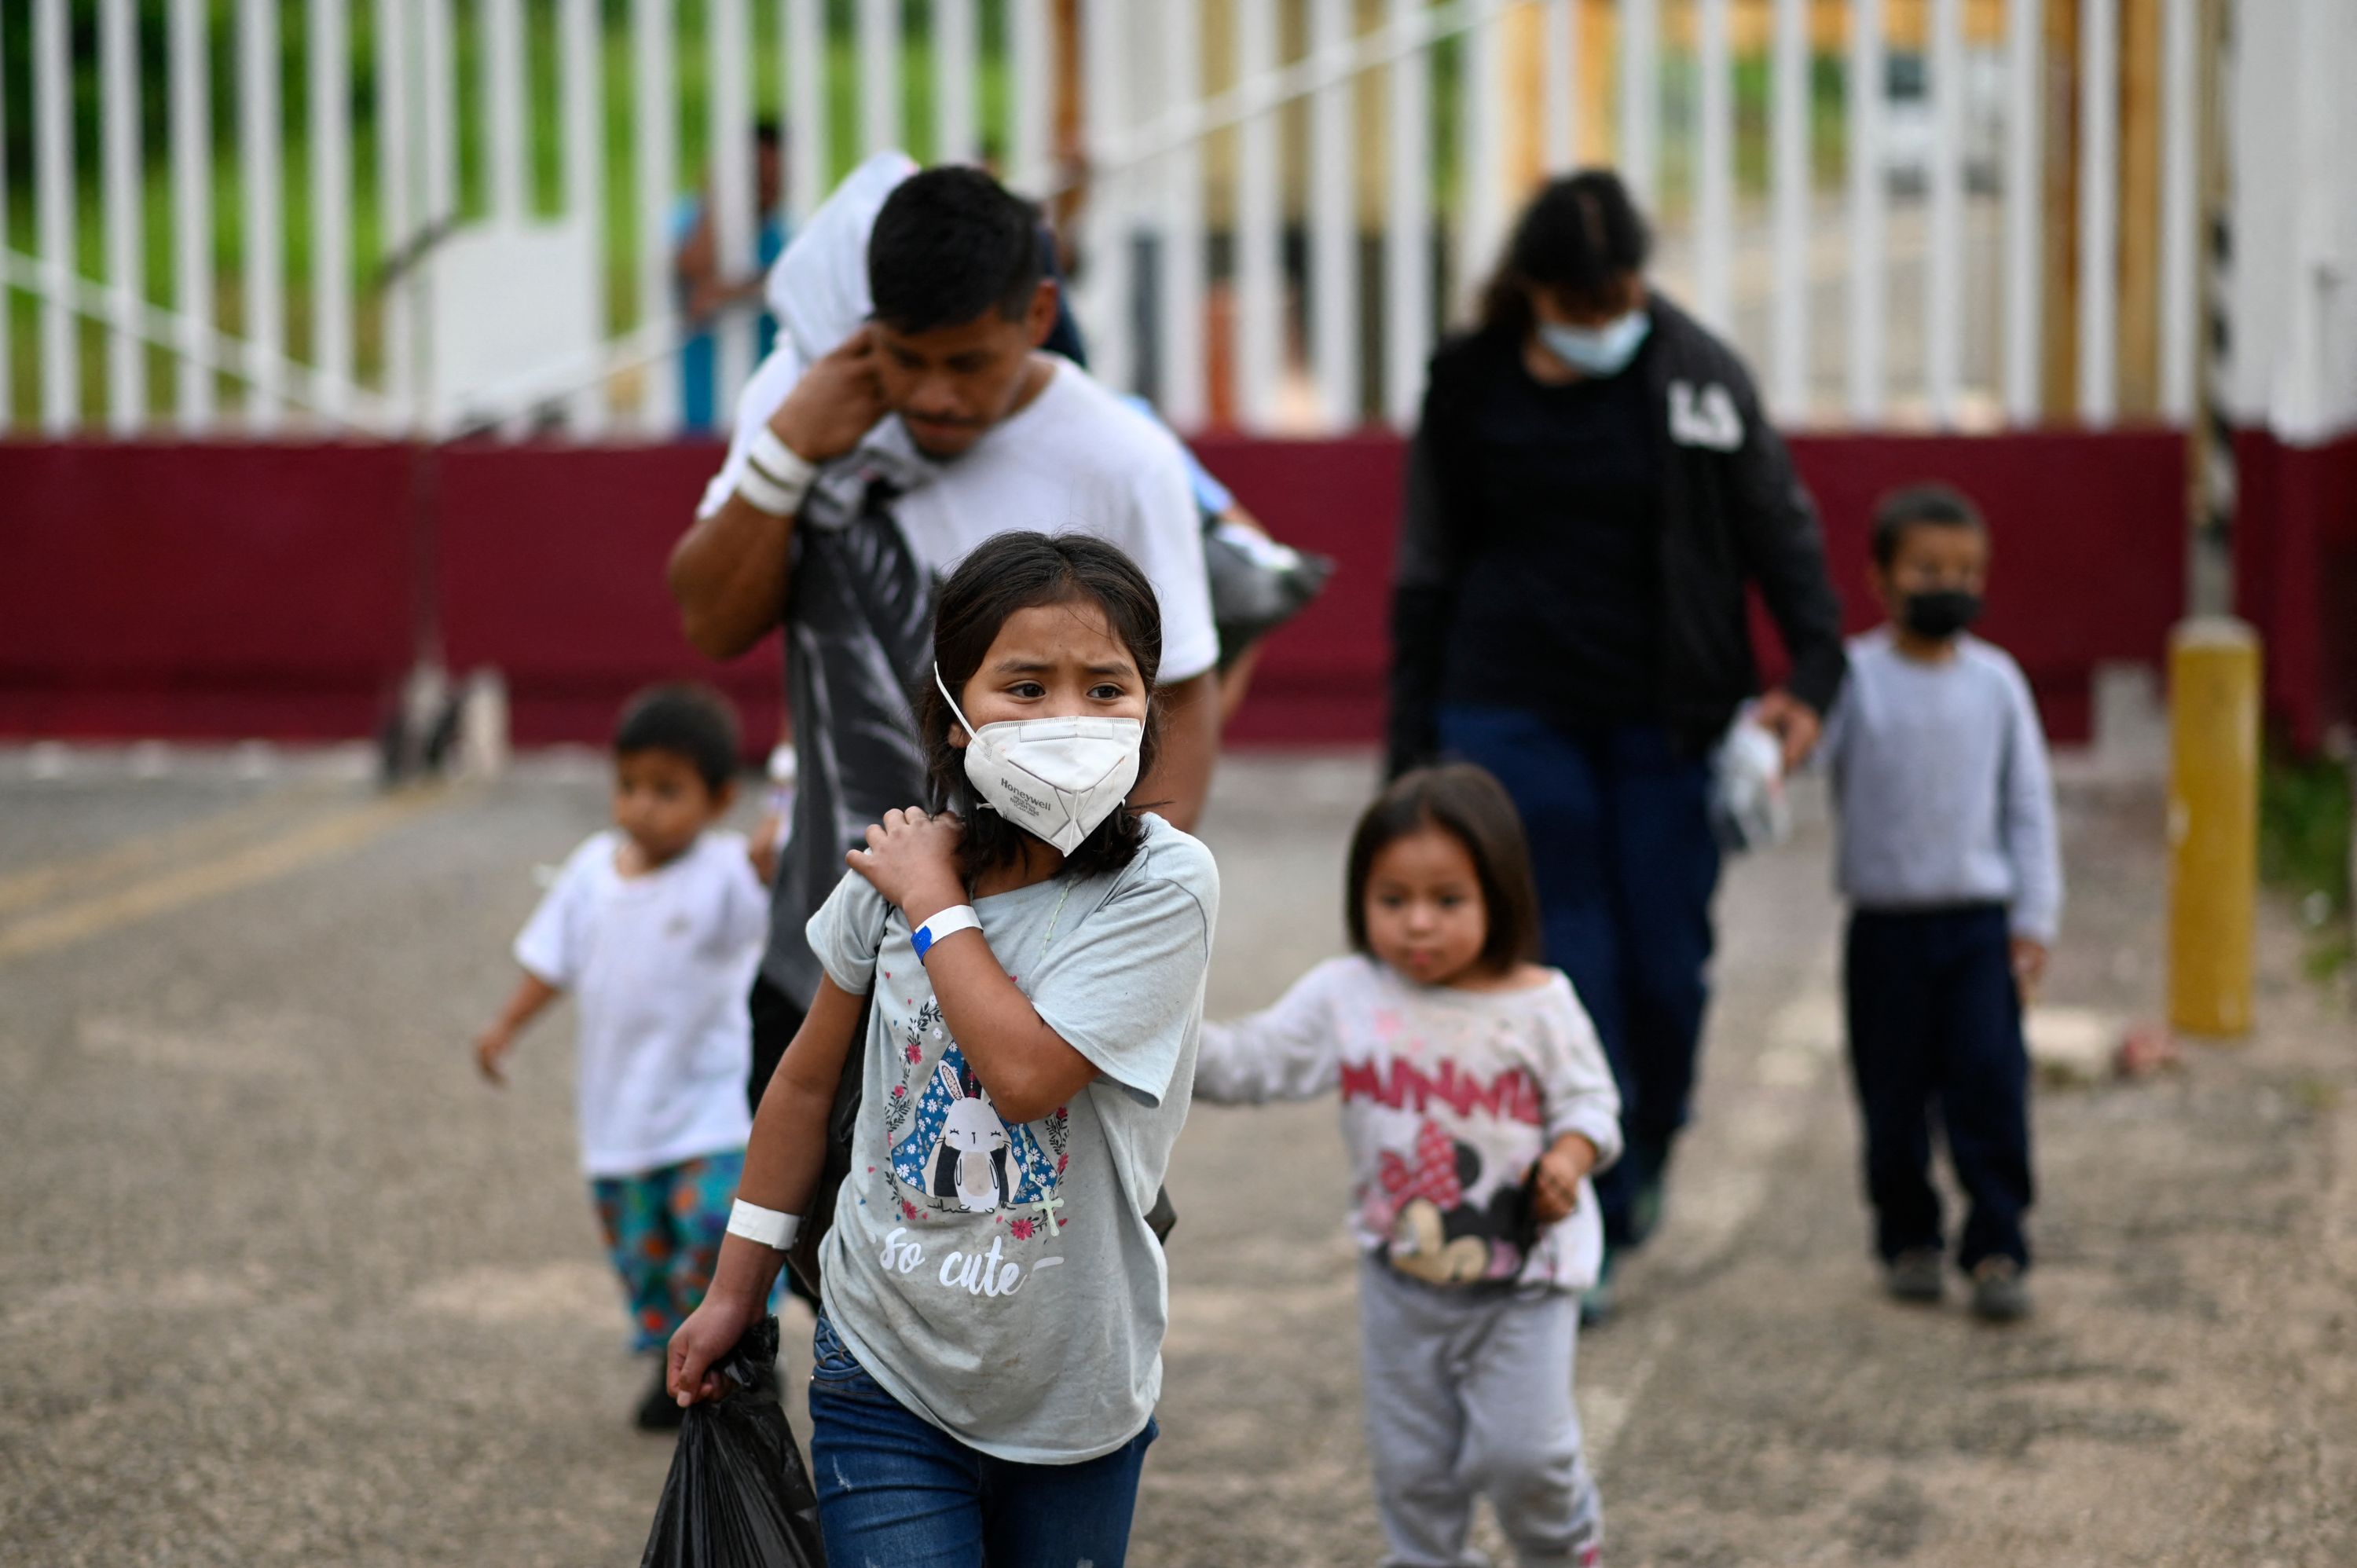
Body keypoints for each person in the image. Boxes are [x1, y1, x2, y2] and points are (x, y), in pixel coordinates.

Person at [666, 533, 1218, 1566]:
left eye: (1107, 688)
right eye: (1024, 685)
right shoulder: (889, 883)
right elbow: (801, 1085)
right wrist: (733, 1291)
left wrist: (932, 904)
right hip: (884, 1353)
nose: (1067, 718)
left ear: (1150, 709)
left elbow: (1024, 1078)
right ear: (954, 714)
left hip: (1074, 1378)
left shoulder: (1163, 887)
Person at [666, 163, 1221, 1141]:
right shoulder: (805, 400)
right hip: (824, 958)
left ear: (1039, 312)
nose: (931, 395)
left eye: (967, 362)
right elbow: (711, 623)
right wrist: (789, 452)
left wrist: (1119, 917)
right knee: (823, 1263)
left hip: (1036, 979)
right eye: (902, 356)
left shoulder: (1117, 457)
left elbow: (1182, 698)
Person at [1387, 168, 1847, 1318]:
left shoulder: (1696, 374)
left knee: (1662, 969)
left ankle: (1642, 1161)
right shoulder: (1470, 381)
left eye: (1623, 295)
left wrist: (1816, 673)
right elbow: (1428, 567)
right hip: (1507, 708)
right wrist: (1409, 759)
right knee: (1558, 959)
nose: (1607, 322)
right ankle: (1570, 1210)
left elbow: (1778, 525)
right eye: (1583, 304)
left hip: (1667, 717)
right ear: (1535, 291)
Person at [1194, 763, 1621, 1568]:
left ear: (1500, 893)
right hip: (1403, 1283)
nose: (1418, 924)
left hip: (1525, 1285)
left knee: (1523, 1457)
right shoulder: (1348, 993)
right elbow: (1252, 1060)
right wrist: (1148, 1034)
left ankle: (1564, 1548)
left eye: (1448, 900)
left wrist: (1569, 1157)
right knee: (1413, 1471)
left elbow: (1593, 1107)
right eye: (1393, 900)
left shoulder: (1541, 1004)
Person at [469, 684, 768, 1428]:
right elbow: (551, 960)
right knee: (644, 1256)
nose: (642, 806)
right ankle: (672, 1369)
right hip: (618, 1120)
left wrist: (773, 851)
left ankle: (746, 1350)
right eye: (630, 785)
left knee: (710, 1229)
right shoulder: (591, 871)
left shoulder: (729, 871)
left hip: (709, 1109)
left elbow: (773, 878)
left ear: (719, 797)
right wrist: (506, 1024)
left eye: (668, 790)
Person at [1819, 484, 2059, 1323]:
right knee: (1891, 1096)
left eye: (1965, 569)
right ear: (1880, 579)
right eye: (1926, 568)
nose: (1946, 583)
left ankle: (1998, 1242)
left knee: (1988, 1086)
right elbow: (1801, 752)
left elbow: (2027, 806)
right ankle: (1907, 1235)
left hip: (1976, 930)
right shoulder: (1852, 679)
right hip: (1883, 931)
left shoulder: (1997, 685)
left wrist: (2035, 920)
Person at [673, 120, 790, 432]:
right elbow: (692, 290)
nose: (765, 186)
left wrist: (728, 293)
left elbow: (785, 283)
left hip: (765, 419)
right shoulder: (685, 220)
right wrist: (718, 196)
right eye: (755, 176)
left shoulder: (785, 234)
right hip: (696, 412)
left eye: (772, 177)